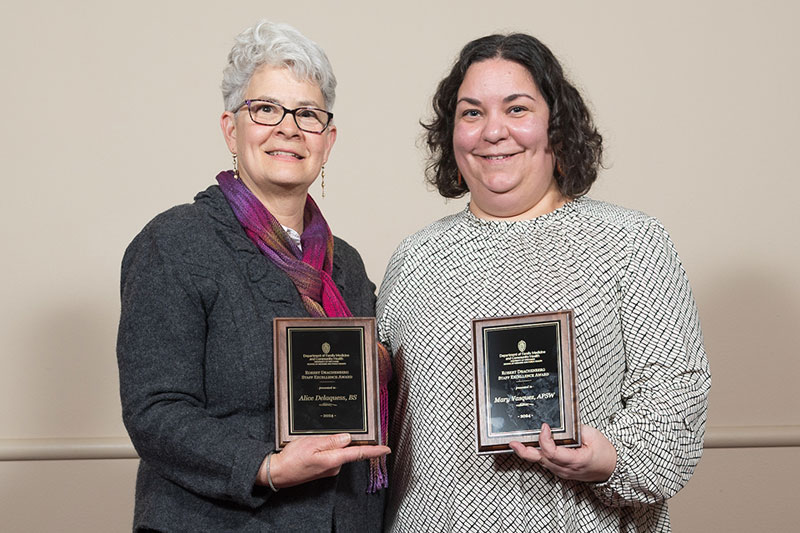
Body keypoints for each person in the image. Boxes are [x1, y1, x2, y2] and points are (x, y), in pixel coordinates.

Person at [377, 33, 710, 532]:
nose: (492, 131)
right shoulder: (414, 258)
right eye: (471, 113)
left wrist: (611, 458)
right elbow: (377, 407)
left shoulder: (630, 243)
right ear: (452, 132)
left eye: (516, 109)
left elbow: (677, 404)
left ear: (557, 124)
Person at [117, 20, 389, 532]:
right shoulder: (174, 242)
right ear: (230, 128)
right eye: (265, 109)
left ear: (327, 141)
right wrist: (266, 467)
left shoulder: (347, 266)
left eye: (307, 114)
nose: (288, 127)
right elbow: (154, 411)